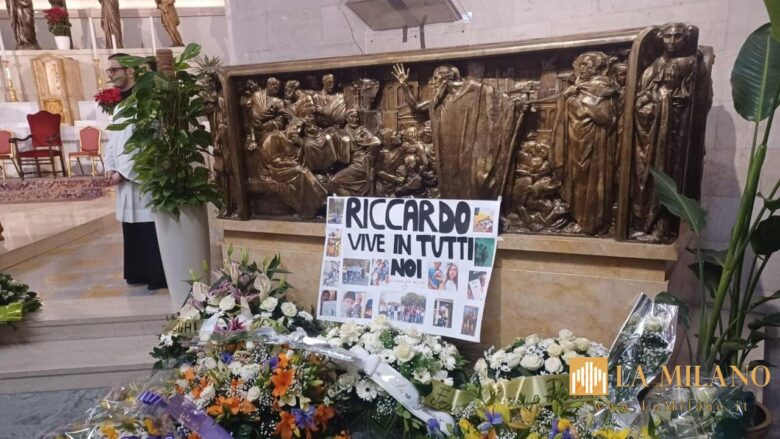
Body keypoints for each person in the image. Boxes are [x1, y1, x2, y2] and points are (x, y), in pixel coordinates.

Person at [104, 53, 167, 291]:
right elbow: (113, 139)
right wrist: (110, 166)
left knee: (148, 225)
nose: (110, 75)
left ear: (130, 71)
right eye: (109, 70)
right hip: (123, 176)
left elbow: (148, 142)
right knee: (131, 225)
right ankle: (138, 271)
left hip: (142, 175)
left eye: (114, 70)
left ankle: (156, 274)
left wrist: (125, 172)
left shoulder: (146, 101)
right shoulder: (121, 104)